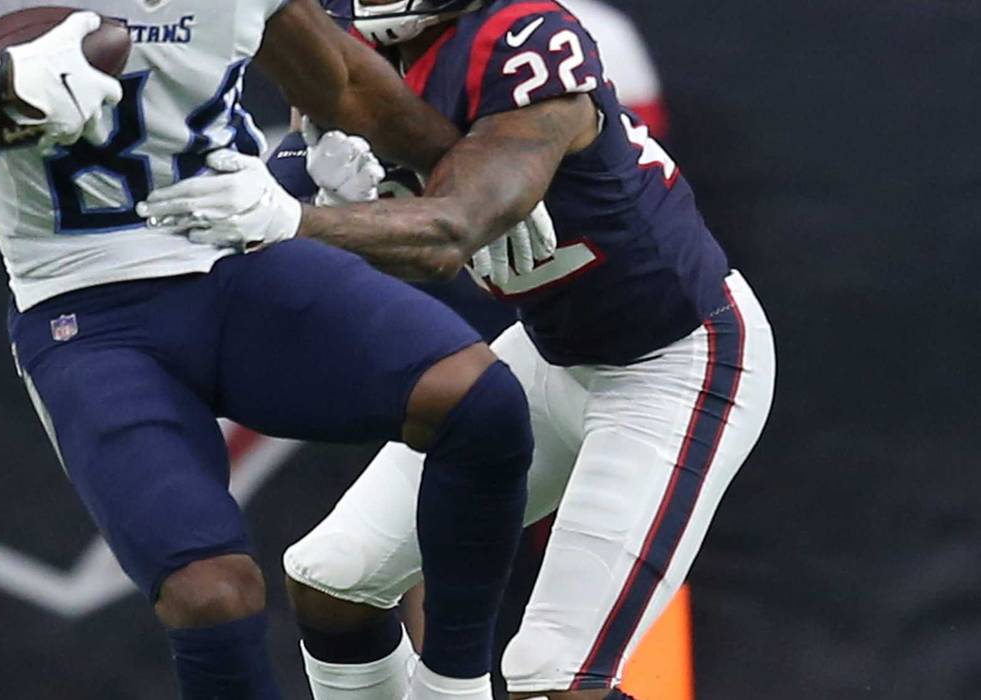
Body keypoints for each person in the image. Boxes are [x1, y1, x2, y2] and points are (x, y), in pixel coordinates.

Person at [0, 1, 543, 698]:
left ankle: (452, 684)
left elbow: (340, 79)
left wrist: (461, 191)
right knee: (210, 595)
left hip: (236, 254)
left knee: (480, 402)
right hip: (84, 307)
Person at [140, 0, 777, 697]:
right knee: (335, 580)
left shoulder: (528, 41)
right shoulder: (346, 33)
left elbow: (449, 232)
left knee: (555, 677)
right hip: (550, 354)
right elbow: (297, 160)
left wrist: (297, 218)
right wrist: (296, 182)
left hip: (673, 359)